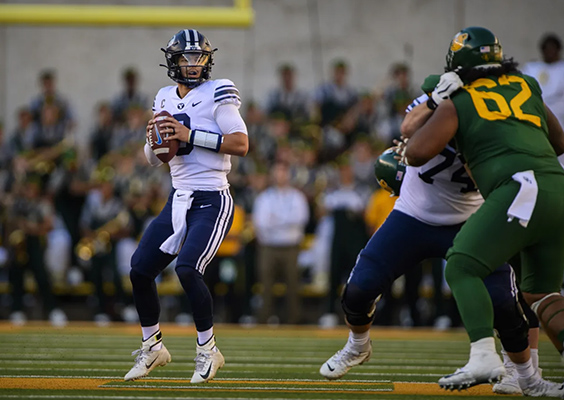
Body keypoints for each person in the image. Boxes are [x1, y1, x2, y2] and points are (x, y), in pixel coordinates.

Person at [319, 57, 557, 396]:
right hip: (415, 214)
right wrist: (434, 101)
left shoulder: (493, 117)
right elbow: (408, 132)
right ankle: (358, 345)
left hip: (473, 217)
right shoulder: (441, 104)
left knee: (505, 304)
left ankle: (528, 378)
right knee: (358, 290)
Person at [403, 26, 564, 396]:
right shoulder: (525, 85)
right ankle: (525, 377)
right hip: (556, 185)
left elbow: (416, 152)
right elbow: (559, 142)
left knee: (460, 265)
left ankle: (482, 356)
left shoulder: (461, 97)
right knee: (540, 295)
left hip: (520, 189)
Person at [124, 29, 248, 384]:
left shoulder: (219, 90)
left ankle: (208, 350)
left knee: (188, 270)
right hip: (178, 197)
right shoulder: (163, 96)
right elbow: (151, 159)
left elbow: (240, 144)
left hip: (212, 198)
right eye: (186, 58)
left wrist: (187, 134)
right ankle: (153, 347)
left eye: (198, 58)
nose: (193, 65)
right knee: (139, 270)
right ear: (173, 60)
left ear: (207, 61)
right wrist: (155, 138)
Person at [252, 161, 309, 324]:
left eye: (283, 172)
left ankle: (293, 320)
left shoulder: (297, 197)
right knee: (266, 285)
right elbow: (261, 222)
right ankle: (264, 319)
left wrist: (276, 220)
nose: (280, 176)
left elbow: (300, 219)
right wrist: (285, 221)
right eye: (277, 172)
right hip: (268, 246)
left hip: (290, 246)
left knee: (292, 285)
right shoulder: (264, 197)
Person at [522, 34, 564, 141]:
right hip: (536, 116)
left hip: (559, 118)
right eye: (547, 49)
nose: (549, 52)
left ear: (558, 50)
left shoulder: (562, 69)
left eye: (552, 49)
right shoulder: (532, 68)